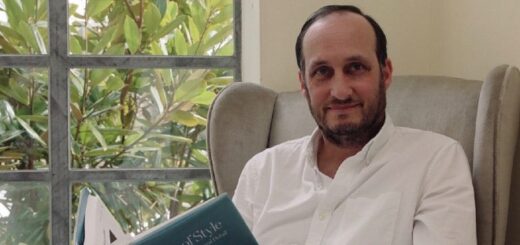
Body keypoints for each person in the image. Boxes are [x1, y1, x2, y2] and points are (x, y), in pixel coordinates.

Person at [232, 5, 476, 245]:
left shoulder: (436, 162)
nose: (340, 91)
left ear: (386, 73)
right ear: (304, 84)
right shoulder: (263, 172)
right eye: (322, 72)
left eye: (355, 68)